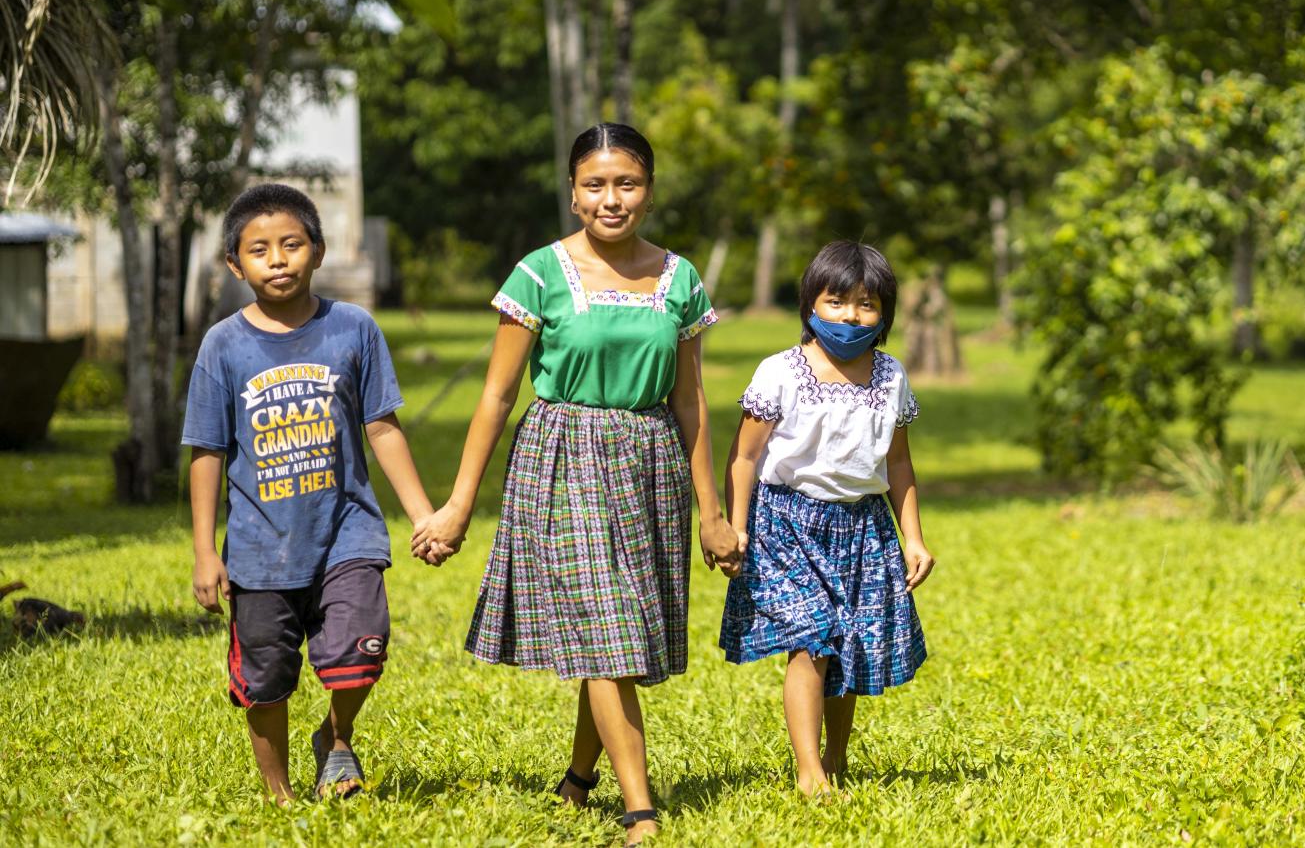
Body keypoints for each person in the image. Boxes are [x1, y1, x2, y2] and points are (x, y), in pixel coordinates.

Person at [411, 123, 739, 847]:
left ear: (648, 190)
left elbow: (690, 401)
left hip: (650, 458)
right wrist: (460, 503)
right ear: (572, 190)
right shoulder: (538, 273)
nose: (611, 198)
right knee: (612, 628)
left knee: (615, 633)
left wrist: (712, 512)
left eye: (627, 183)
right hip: (563, 458)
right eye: (595, 184)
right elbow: (496, 396)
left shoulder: (678, 278)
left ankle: (578, 780)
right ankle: (641, 811)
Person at [182, 183, 440, 803]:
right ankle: (280, 793)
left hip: (346, 530)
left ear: (318, 252)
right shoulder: (223, 345)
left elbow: (381, 425)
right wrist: (203, 551)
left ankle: (335, 734)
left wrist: (423, 513)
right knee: (265, 679)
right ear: (234, 264)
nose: (278, 259)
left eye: (292, 244)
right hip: (258, 547)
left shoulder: (352, 328)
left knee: (362, 650)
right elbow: (207, 452)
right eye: (260, 249)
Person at [718, 240, 936, 797]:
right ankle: (810, 773)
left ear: (884, 313)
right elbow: (743, 458)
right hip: (785, 523)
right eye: (836, 301)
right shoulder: (780, 373)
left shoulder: (890, 378)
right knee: (812, 638)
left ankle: (836, 759)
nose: (849, 316)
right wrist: (735, 527)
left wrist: (913, 537)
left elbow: (900, 461)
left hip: (863, 526)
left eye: (865, 305)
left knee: (853, 642)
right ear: (811, 303)